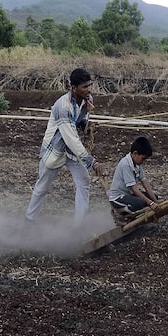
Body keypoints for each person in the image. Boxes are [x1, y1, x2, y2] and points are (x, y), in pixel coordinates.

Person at [25, 68, 106, 226]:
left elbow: (80, 120)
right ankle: (29, 220)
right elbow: (70, 139)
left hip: (72, 151)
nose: (88, 89)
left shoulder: (87, 99)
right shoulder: (62, 106)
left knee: (84, 181)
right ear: (73, 88)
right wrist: (92, 162)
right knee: (42, 187)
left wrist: (87, 126)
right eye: (84, 87)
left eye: (89, 85)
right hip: (55, 148)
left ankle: (78, 225)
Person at [108, 136, 159, 222]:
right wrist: (150, 203)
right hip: (117, 198)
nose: (144, 161)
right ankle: (119, 212)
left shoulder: (137, 164)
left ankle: (130, 212)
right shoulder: (126, 164)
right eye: (143, 158)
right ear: (135, 153)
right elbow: (135, 189)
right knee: (140, 203)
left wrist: (155, 201)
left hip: (127, 195)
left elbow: (145, 184)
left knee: (153, 197)